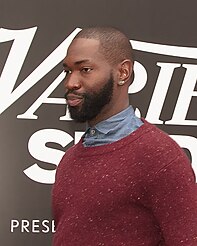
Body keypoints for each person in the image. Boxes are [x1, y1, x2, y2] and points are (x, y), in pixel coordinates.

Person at [52, 27, 197, 246]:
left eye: (85, 69)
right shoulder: (69, 160)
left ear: (123, 73)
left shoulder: (161, 157)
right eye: (67, 71)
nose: (70, 83)